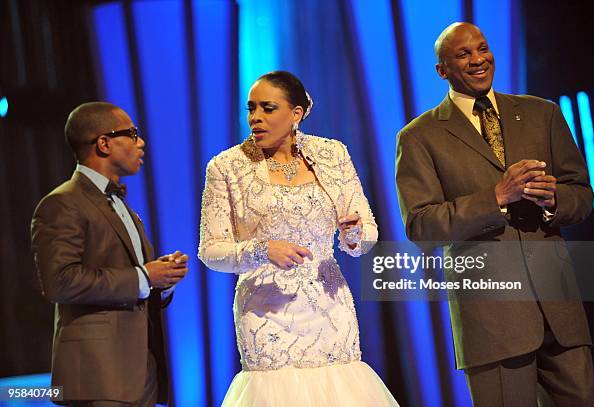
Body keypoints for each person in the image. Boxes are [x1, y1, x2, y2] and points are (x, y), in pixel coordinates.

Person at [396, 23, 594, 406]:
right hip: (493, 323)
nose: (478, 60)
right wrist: (497, 197)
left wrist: (554, 198)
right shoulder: (418, 137)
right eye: (463, 54)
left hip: (561, 312)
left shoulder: (543, 113)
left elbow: (582, 195)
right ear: (443, 70)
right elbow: (422, 226)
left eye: (482, 48)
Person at [199, 71, 398, 406]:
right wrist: (262, 250)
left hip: (329, 304)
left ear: (297, 113)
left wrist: (353, 236)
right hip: (265, 309)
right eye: (251, 109)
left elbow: (368, 235)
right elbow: (211, 251)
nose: (255, 117)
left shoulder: (332, 155)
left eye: (268, 108)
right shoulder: (226, 167)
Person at [31, 102, 188, 406]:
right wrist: (143, 276)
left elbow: (133, 279)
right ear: (103, 143)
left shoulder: (120, 204)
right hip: (98, 374)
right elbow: (59, 282)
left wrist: (160, 279)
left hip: (139, 374)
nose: (140, 142)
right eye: (132, 134)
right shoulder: (62, 203)